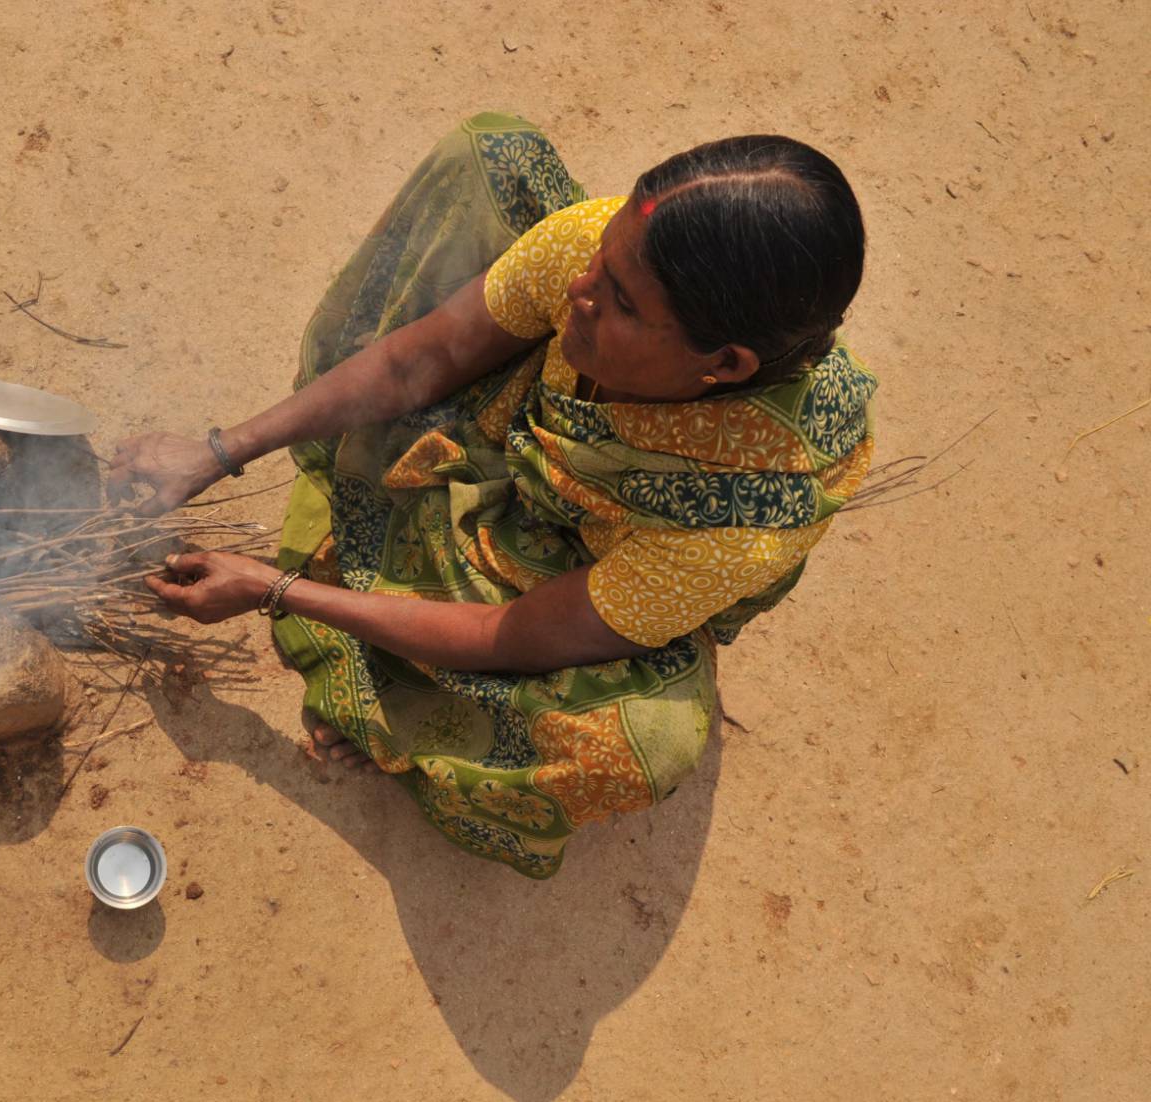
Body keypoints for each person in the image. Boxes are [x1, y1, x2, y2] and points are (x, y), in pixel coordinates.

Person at [107, 113, 875, 878]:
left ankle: (413, 723)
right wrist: (218, 452)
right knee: (488, 159)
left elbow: (512, 637)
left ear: (728, 364)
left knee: (637, 748)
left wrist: (276, 589)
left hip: (573, 580)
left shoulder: (739, 521)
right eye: (601, 262)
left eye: (622, 303)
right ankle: (390, 623)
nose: (581, 289)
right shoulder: (596, 252)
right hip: (515, 426)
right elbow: (427, 357)